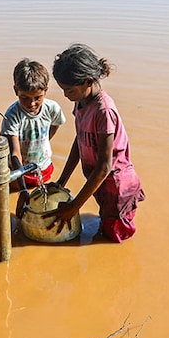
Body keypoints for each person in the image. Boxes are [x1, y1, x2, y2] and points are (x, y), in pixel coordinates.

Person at [46, 44, 145, 242]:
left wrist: (74, 207)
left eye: (69, 90)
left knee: (111, 236)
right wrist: (61, 182)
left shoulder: (104, 111)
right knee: (103, 227)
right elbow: (79, 140)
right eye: (63, 90)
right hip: (100, 184)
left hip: (116, 185)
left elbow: (104, 167)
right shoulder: (81, 101)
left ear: (88, 81)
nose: (66, 96)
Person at [0, 58, 66, 218]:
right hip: (18, 172)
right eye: (25, 98)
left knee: (42, 201)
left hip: (44, 167)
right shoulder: (12, 116)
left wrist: (44, 142)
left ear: (46, 91)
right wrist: (22, 189)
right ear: (16, 90)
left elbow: (56, 124)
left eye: (37, 97)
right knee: (17, 201)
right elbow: (15, 153)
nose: (32, 103)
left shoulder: (52, 108)